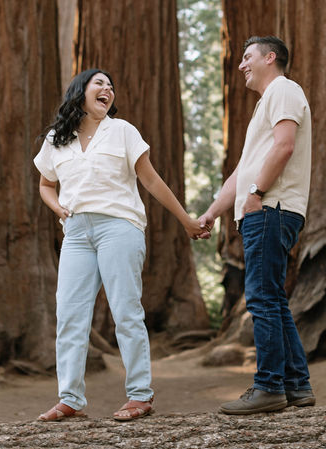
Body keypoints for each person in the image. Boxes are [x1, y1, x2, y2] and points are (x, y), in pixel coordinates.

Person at [33, 68, 209, 422]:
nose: (108, 89)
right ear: (80, 91)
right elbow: (45, 185)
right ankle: (70, 399)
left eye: (111, 86)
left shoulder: (122, 131)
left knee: (126, 311)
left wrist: (186, 220)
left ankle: (140, 396)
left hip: (119, 227)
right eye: (99, 83)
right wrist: (58, 208)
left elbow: (151, 180)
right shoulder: (57, 138)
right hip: (77, 234)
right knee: (69, 314)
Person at [199, 35, 315, 414]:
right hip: (267, 207)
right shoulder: (268, 102)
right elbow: (241, 171)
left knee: (262, 299)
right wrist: (213, 212)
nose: (241, 64)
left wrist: (256, 193)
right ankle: (297, 385)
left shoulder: (283, 89)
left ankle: (268, 386)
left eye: (247, 57)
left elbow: (285, 146)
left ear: (270, 57)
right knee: (273, 298)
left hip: (270, 207)